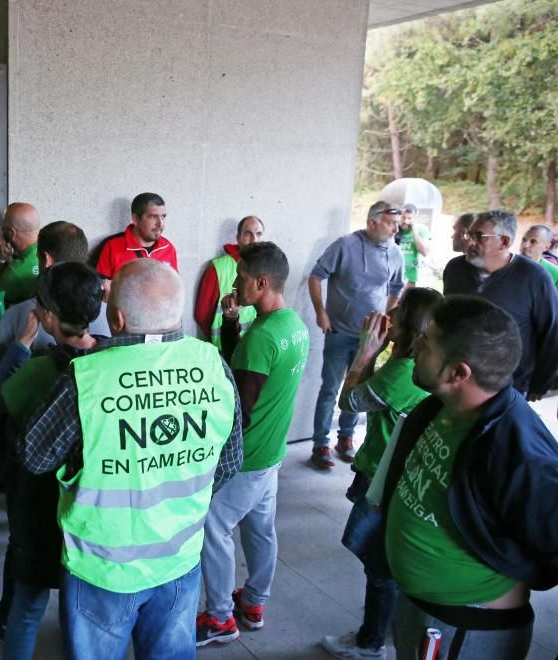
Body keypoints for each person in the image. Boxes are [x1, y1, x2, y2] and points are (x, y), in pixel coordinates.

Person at [22, 259, 243, 659]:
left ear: (117, 317)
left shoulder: (85, 379)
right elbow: (229, 462)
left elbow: (34, 456)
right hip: (179, 562)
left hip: (101, 571)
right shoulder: (214, 366)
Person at [380, 296, 558, 660]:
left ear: (458, 373)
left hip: (465, 630)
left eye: (426, 344)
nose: (414, 347)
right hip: (426, 611)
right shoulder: (443, 406)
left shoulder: (520, 453)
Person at [0, 221, 110, 639]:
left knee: (27, 598)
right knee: (77, 600)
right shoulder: (110, 353)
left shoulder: (36, 363)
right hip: (89, 497)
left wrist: (21, 345)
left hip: (34, 492)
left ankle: (8, 620)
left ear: (48, 314)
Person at [320, 287, 442, 660]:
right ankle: (388, 622)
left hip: (384, 479)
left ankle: (371, 641)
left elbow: (349, 402)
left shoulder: (403, 372)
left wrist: (365, 350)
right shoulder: (413, 366)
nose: (392, 312)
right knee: (387, 562)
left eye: (400, 310)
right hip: (398, 475)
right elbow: (367, 391)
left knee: (379, 565)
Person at [198, 242, 309, 646]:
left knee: (213, 526)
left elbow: (239, 407)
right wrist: (231, 323)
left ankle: (220, 618)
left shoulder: (262, 337)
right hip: (273, 453)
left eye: (241, 278)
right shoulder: (293, 326)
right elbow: (247, 367)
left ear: (261, 283)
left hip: (247, 459)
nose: (235, 283)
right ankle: (255, 603)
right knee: (260, 529)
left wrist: (212, 457)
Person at [308, 201, 404, 469]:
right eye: (390, 222)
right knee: (330, 389)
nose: (396, 228)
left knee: (358, 389)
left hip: (369, 338)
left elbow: (397, 287)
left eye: (397, 223)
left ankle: (346, 438)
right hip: (339, 331)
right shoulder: (345, 245)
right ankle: (320, 443)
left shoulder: (395, 254)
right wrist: (320, 312)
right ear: (372, 222)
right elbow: (316, 276)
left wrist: (387, 318)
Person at [443, 210, 558, 400]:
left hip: (509, 386)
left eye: (479, 236)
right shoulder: (456, 268)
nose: (470, 242)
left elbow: (551, 331)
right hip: (456, 377)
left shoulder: (534, 277)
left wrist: (540, 382)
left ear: (504, 242)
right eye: (469, 235)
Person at [193, 215, 264, 347]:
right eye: (248, 234)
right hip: (224, 349)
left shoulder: (265, 268)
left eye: (258, 234)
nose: (254, 240)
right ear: (238, 237)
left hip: (255, 347)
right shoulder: (218, 267)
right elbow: (202, 315)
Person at [94, 192, 178, 279]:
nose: (160, 224)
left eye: (163, 217)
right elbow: (101, 288)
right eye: (153, 217)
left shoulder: (168, 248)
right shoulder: (111, 247)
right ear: (136, 219)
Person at [0, 202, 41, 308]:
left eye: (3, 228)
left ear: (11, 233)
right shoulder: (52, 249)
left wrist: (0, 259)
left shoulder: (16, 271)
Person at [396, 204, 429, 288]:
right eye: (403, 217)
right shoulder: (395, 229)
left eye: (409, 218)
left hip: (412, 274)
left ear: (414, 218)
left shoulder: (422, 229)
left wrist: (415, 231)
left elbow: (424, 252)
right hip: (395, 273)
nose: (406, 221)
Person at [519, 224, 558, 288]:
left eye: (533, 241)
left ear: (546, 247)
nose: (525, 245)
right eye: (524, 240)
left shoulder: (555, 273)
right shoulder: (507, 265)